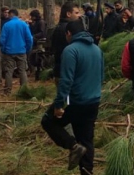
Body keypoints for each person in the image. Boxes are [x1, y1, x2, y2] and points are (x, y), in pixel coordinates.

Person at [41, 19, 103, 175]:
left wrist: (59, 104)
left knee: (48, 121)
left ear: (69, 33)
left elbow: (66, 80)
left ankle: (73, 146)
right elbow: (101, 76)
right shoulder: (97, 49)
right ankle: (87, 171)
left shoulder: (70, 50)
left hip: (76, 102)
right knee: (87, 138)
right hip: (94, 101)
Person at [0, 8, 33, 94]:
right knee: (22, 71)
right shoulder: (23, 24)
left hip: (9, 52)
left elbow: (2, 40)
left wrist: (3, 50)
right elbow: (29, 39)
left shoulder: (6, 25)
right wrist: (27, 49)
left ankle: (7, 91)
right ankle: (24, 90)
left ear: (11, 14)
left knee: (9, 71)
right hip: (21, 51)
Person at [52, 2, 82, 80]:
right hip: (68, 72)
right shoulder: (69, 29)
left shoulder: (57, 28)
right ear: (68, 14)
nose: (79, 15)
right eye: (76, 13)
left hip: (60, 70)